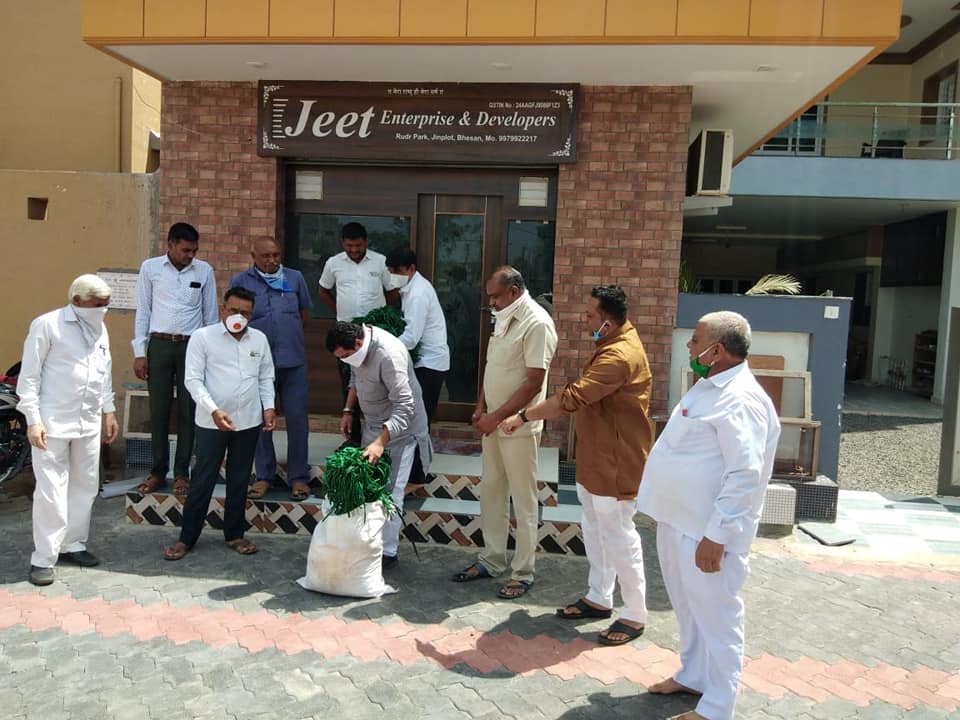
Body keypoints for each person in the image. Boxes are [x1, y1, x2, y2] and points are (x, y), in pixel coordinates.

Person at [636, 311, 781, 720]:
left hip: (705, 532)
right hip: (678, 521)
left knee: (718, 618)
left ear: (716, 350)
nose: (689, 345)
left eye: (695, 340)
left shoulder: (741, 398)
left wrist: (717, 536)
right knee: (688, 610)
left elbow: (745, 474)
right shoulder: (709, 386)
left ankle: (718, 707)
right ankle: (694, 675)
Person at [500, 285, 653, 644]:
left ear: (608, 322)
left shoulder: (619, 355)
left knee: (619, 536)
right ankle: (599, 597)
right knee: (596, 530)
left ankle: (635, 614)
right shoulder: (611, 344)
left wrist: (523, 416)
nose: (585, 321)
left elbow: (573, 398)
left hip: (616, 463)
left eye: (590, 316)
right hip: (596, 458)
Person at [451, 267, 557, 599]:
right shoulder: (503, 316)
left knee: (523, 500)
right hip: (493, 421)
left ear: (513, 291)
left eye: (496, 297)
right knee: (492, 491)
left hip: (518, 425)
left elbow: (533, 382)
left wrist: (497, 416)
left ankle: (523, 572)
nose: (492, 303)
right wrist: (481, 407)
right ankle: (492, 559)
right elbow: (492, 367)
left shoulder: (537, 323)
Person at [18, 274, 120, 586]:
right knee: (51, 490)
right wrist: (33, 419)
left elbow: (103, 370)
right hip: (51, 423)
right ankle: (43, 557)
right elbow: (29, 377)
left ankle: (73, 544)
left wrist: (109, 410)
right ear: (77, 301)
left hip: (87, 422)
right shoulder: (47, 325)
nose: (103, 310)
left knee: (85, 485)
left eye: (106, 304)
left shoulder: (99, 327)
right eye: (98, 304)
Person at [163, 287, 276, 561]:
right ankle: (186, 538)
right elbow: (192, 380)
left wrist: (269, 407)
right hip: (211, 422)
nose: (239, 317)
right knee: (203, 479)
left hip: (248, 421)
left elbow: (265, 376)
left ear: (252, 315)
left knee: (239, 479)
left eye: (246, 313)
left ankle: (234, 534)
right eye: (234, 310)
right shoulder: (203, 337)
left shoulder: (259, 339)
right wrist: (213, 410)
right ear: (223, 309)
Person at [326, 321, 432, 569]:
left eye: (345, 355)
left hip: (401, 432)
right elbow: (355, 378)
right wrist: (348, 410)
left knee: (390, 491)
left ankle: (388, 552)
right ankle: (370, 544)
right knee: (370, 487)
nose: (344, 360)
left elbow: (405, 406)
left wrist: (380, 442)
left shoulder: (388, 356)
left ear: (358, 344)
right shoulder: (355, 353)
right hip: (374, 426)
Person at [133, 222, 218, 496]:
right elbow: (143, 311)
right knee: (158, 410)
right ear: (170, 244)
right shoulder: (150, 268)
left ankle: (182, 473)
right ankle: (157, 472)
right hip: (158, 344)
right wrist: (139, 352)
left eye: (194, 251)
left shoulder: (204, 271)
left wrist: (210, 355)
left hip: (192, 346)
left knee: (188, 410)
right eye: (185, 250)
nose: (190, 256)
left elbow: (211, 316)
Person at [230, 238, 313, 501]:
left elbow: (304, 314)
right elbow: (234, 319)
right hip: (257, 363)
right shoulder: (241, 281)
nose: (272, 260)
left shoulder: (295, 278)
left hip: (293, 361)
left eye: (276, 255)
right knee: (260, 421)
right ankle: (264, 476)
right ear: (253, 255)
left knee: (297, 420)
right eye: (266, 256)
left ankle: (298, 477)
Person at [317, 222, 393, 446]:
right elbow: (323, 291)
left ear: (366, 242)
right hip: (346, 335)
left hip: (375, 334)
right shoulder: (333, 263)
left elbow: (394, 292)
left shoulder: (380, 262)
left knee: (376, 385)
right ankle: (354, 438)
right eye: (349, 246)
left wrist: (380, 314)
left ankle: (379, 437)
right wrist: (340, 313)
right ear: (343, 243)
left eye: (358, 245)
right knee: (348, 384)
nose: (354, 250)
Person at [385, 247, 450, 484]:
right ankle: (412, 475)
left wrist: (382, 348)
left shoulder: (418, 294)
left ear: (411, 269)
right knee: (413, 421)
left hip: (429, 364)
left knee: (418, 424)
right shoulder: (409, 288)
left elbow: (411, 338)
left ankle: (416, 478)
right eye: (390, 271)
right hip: (422, 362)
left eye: (397, 271)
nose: (393, 275)